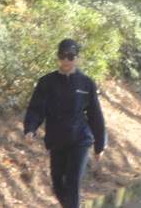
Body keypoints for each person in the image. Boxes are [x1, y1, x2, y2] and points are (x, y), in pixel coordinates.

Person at [24, 39, 107, 208]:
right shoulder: (47, 82)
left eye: (70, 56)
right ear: (58, 57)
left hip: (80, 139)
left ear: (77, 57)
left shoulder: (86, 83)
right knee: (58, 184)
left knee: (72, 183)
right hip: (57, 139)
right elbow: (36, 108)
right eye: (62, 56)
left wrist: (100, 144)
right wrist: (30, 128)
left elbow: (95, 114)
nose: (66, 60)